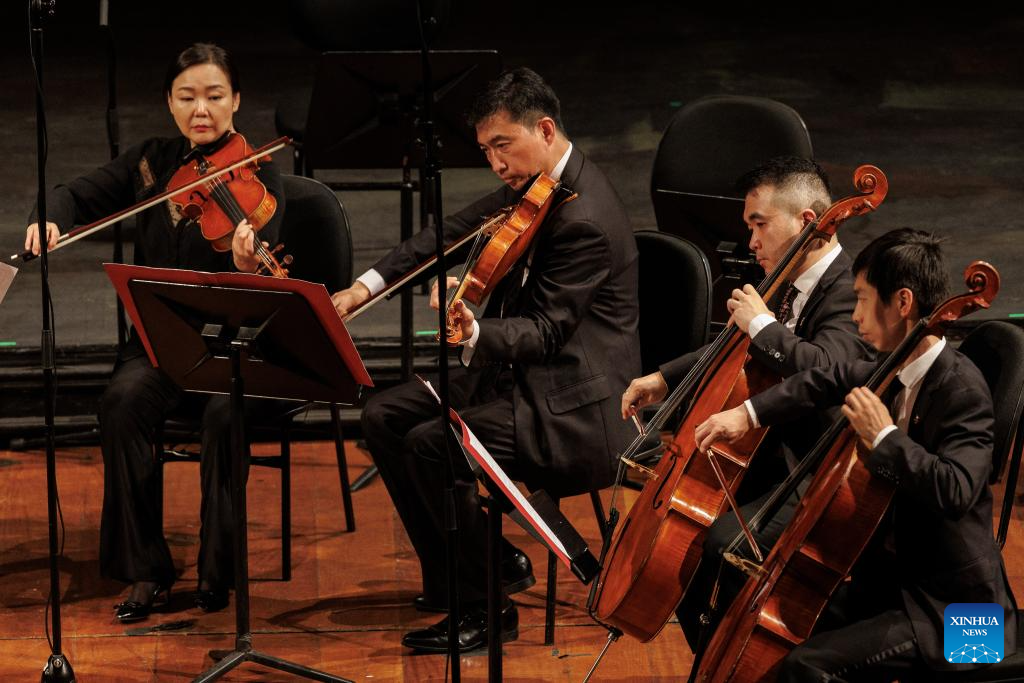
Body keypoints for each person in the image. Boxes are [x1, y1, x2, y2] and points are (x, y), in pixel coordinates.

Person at [331, 67, 640, 652]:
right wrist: (364, 288)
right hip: (515, 378)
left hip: (572, 403)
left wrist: (473, 330)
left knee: (433, 444)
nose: (495, 163)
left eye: (503, 145)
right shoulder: (537, 186)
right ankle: (473, 565)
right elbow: (446, 233)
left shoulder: (584, 220)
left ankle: (486, 610)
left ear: (544, 129)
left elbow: (548, 333)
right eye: (485, 150)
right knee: (383, 416)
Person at [24, 42, 285, 622]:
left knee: (224, 414)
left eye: (215, 96)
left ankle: (219, 571)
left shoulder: (262, 180)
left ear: (236, 100)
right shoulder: (150, 163)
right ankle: (147, 570)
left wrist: (246, 265)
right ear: (169, 103)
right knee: (120, 402)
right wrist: (52, 217)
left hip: (234, 351)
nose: (202, 110)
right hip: (161, 348)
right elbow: (77, 192)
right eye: (187, 97)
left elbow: (274, 283)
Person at [695, 228, 1018, 681]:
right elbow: (822, 379)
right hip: (892, 588)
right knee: (774, 625)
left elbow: (957, 491)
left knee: (806, 669)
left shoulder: (961, 389)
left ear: (903, 303)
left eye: (864, 299)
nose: (855, 314)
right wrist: (746, 415)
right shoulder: (892, 364)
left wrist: (884, 436)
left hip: (963, 615)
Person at [619, 156, 873, 648]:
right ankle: (714, 659)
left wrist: (763, 326)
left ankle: (741, 657)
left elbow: (824, 371)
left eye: (759, 224)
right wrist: (664, 379)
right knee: (686, 544)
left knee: (718, 546)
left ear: (805, 223)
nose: (751, 241)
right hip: (772, 453)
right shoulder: (784, 282)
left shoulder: (847, 291)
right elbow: (732, 348)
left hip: (817, 466)